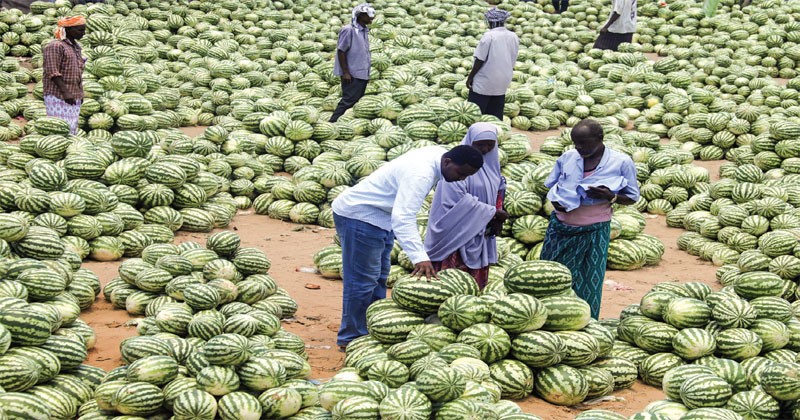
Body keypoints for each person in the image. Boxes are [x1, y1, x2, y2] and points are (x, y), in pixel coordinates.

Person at [332, 145, 484, 350]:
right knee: (362, 281)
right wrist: (419, 257)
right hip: (360, 216)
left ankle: (374, 327)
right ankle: (351, 337)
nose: (462, 179)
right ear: (447, 162)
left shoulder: (440, 155)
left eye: (467, 176)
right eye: (461, 173)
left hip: (380, 218)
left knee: (378, 278)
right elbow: (403, 217)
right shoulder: (420, 174)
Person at [540, 119, 640, 319]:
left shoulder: (621, 162)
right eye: (576, 143)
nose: (580, 148)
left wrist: (609, 196)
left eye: (584, 143)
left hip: (594, 230)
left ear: (600, 139)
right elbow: (550, 185)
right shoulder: (568, 157)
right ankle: (549, 322)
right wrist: (556, 201)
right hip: (560, 228)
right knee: (549, 281)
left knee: (588, 282)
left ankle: (585, 324)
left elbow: (632, 197)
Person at [424, 123, 508, 290]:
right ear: (470, 141)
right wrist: (492, 213)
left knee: (471, 288)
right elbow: (452, 202)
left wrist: (496, 215)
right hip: (456, 231)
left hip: (480, 231)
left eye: (489, 146)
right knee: (450, 284)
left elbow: (497, 193)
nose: (484, 150)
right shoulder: (455, 168)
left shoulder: (493, 168)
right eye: (480, 145)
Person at [466, 7, 519, 121]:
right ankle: (495, 132)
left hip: (486, 78)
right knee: (496, 111)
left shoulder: (489, 36)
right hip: (504, 78)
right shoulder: (513, 36)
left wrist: (470, 77)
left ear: (491, 21)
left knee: (475, 112)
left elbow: (480, 59)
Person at [329, 3, 375, 123]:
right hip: (352, 74)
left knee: (357, 101)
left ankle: (346, 124)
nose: (371, 17)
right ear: (360, 16)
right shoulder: (348, 30)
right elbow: (341, 51)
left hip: (362, 73)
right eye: (368, 15)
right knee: (348, 100)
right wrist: (345, 72)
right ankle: (332, 123)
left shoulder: (364, 30)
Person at [43, 16, 86, 135]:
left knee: (71, 129)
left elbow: (77, 73)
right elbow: (52, 71)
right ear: (68, 29)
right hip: (58, 95)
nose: (83, 33)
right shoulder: (55, 46)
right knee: (59, 129)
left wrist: (79, 93)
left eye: (84, 30)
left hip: (74, 94)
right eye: (80, 30)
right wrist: (66, 92)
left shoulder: (76, 47)